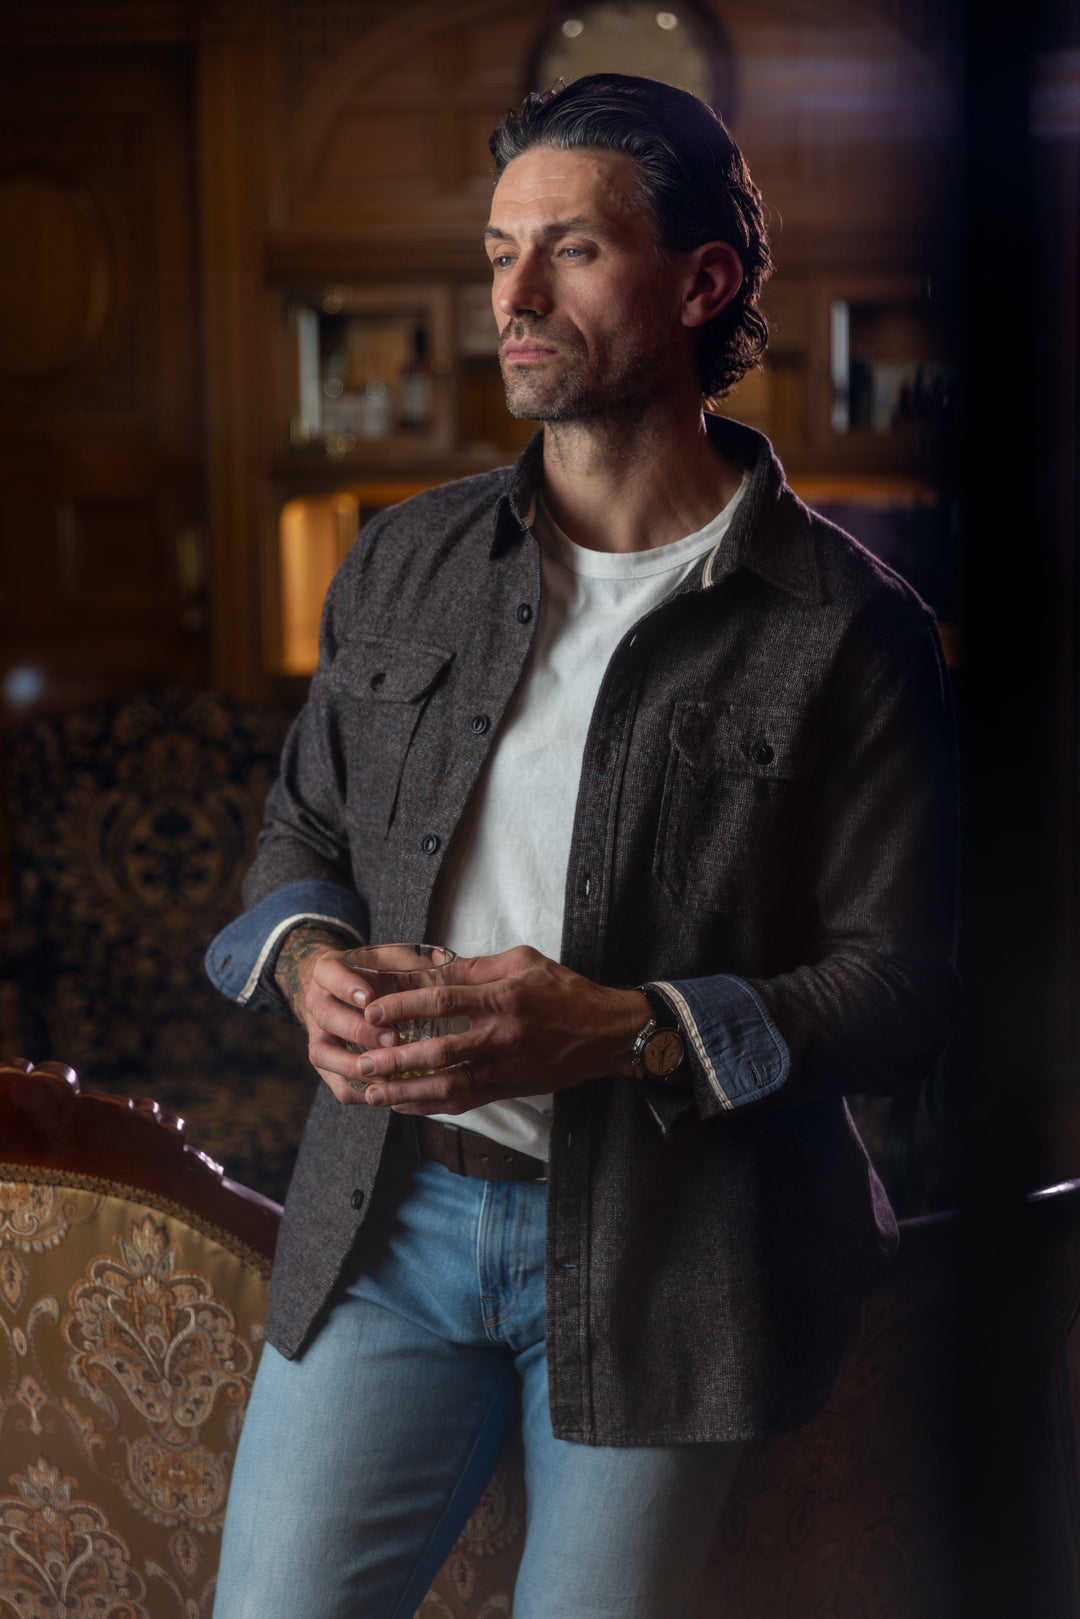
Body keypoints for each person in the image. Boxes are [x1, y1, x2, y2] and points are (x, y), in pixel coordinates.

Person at [207, 73, 956, 1619]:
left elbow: (903, 993)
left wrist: (624, 1033)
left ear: (703, 281)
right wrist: (306, 965)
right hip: (391, 1218)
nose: (515, 297)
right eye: (497, 252)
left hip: (683, 1258)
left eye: (572, 251)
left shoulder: (856, 633)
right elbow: (302, 828)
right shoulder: (402, 557)